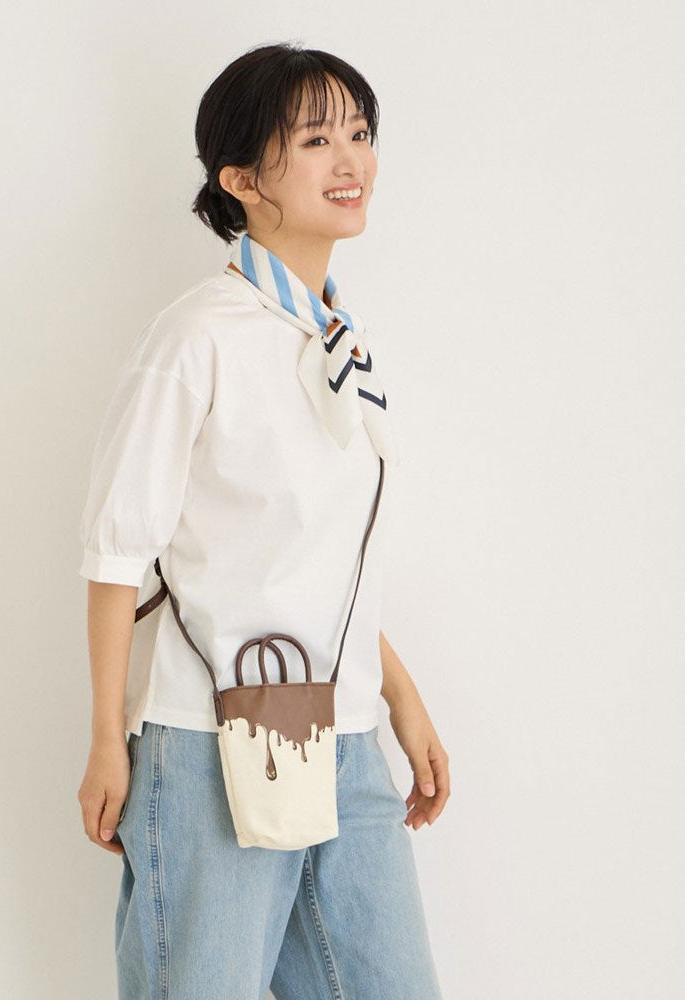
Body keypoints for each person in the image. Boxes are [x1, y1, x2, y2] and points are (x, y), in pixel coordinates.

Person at [76, 41, 450, 1000]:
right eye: (317, 140)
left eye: (359, 133)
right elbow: (119, 551)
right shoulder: (197, 336)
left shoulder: (342, 345)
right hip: (209, 742)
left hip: (345, 736)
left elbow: (311, 560)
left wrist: (400, 700)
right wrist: (107, 736)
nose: (351, 160)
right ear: (241, 179)